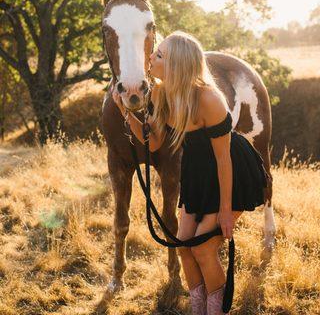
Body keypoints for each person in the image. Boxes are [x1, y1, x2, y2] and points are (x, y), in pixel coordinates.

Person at [112, 31, 268, 315]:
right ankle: (199, 309)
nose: (150, 57)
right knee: (184, 247)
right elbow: (155, 142)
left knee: (204, 250)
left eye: (158, 55)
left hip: (230, 172)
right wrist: (126, 112)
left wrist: (224, 210)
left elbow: (223, 159)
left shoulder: (208, 99)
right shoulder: (160, 92)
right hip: (196, 172)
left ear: (177, 65)